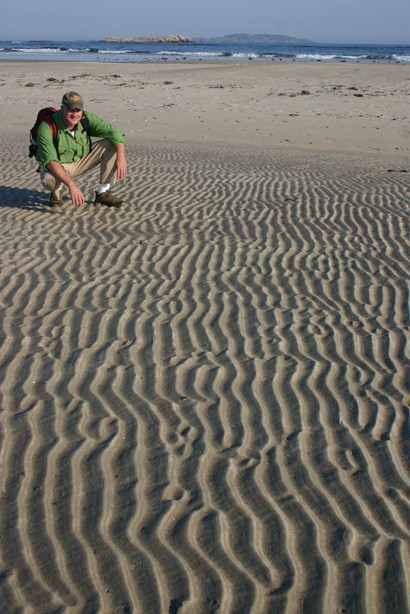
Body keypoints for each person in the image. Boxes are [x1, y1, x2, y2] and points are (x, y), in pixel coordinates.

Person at [36, 91, 127, 208]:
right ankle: (56, 191)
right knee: (48, 181)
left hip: (80, 160)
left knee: (112, 143)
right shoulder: (47, 126)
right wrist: (71, 184)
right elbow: (50, 162)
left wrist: (121, 156)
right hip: (58, 165)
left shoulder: (85, 119)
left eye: (78, 110)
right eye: (71, 110)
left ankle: (103, 193)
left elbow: (115, 132)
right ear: (62, 109)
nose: (75, 114)